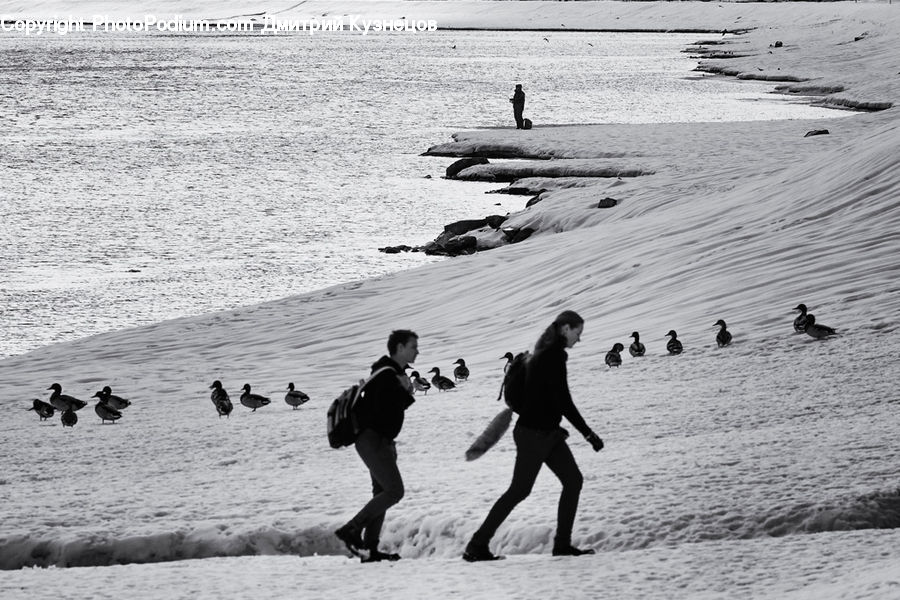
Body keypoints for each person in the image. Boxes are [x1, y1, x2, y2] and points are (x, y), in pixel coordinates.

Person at [463, 310, 604, 561]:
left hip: (546, 433)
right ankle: (476, 545)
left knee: (573, 480)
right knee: (519, 490)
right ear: (565, 329)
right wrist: (588, 433)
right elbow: (564, 401)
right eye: (578, 332)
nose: (579, 339)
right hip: (534, 435)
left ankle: (562, 545)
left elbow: (552, 400)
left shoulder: (545, 353)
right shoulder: (553, 356)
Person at [335, 329, 419, 562]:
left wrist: (403, 391)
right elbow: (383, 410)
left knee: (381, 492)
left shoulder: (390, 373)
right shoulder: (386, 375)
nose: (417, 351)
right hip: (373, 440)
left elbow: (389, 408)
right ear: (400, 348)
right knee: (394, 491)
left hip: (378, 440)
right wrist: (404, 391)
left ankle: (370, 549)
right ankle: (351, 529)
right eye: (413, 346)